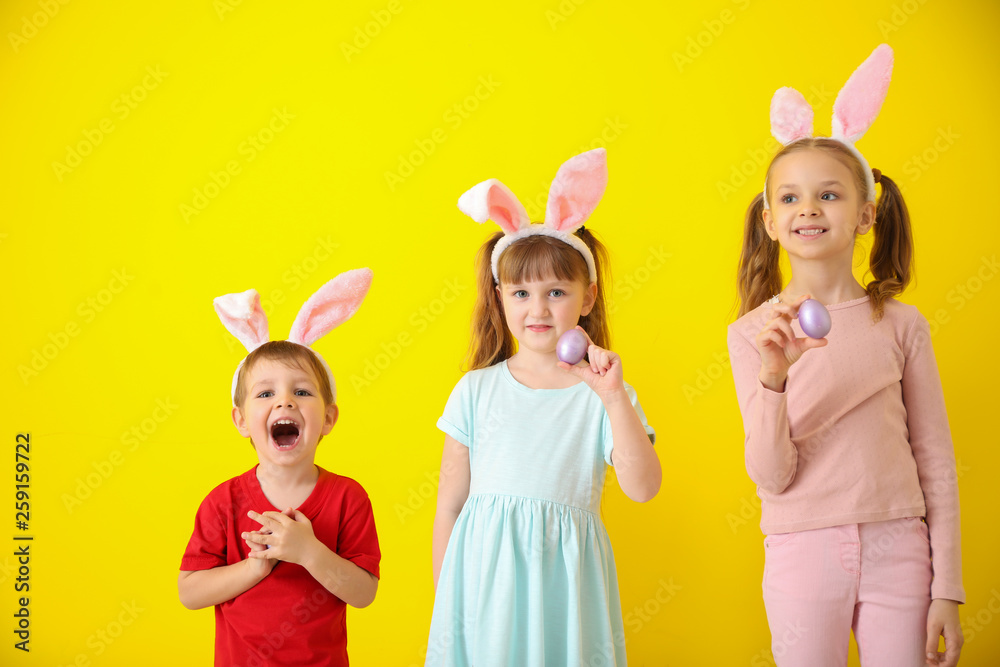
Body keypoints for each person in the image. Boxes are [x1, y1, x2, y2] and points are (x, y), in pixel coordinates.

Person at [727, 45, 964, 667]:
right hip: (802, 548)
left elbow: (935, 456)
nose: (808, 208)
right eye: (790, 198)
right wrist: (775, 379)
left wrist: (948, 588)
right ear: (771, 221)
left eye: (828, 195)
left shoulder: (902, 324)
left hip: (900, 546)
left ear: (864, 215)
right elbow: (771, 475)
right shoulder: (753, 333)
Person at [426, 148, 661, 666]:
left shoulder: (603, 394)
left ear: (588, 297)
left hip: (565, 592)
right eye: (521, 292)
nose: (538, 308)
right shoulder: (475, 390)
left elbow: (642, 488)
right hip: (482, 593)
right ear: (500, 297)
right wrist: (448, 600)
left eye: (556, 291)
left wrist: (614, 397)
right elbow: (449, 504)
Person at [179, 269, 381, 667]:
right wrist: (255, 567)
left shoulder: (348, 498)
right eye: (266, 392)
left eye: (302, 391)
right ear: (240, 420)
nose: (285, 402)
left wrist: (309, 552)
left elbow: (363, 594)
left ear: (328, 418)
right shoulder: (223, 502)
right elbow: (190, 593)